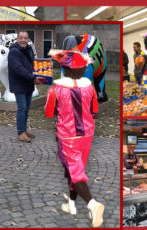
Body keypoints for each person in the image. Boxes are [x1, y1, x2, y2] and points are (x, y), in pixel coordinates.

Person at [45, 49, 104, 228]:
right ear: (82, 70)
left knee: (74, 172)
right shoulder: (90, 88)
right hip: (87, 134)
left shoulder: (56, 89)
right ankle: (71, 205)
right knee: (75, 169)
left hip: (67, 135)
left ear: (64, 69)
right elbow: (95, 111)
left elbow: (49, 113)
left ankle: (93, 205)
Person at [8, 31, 43, 142]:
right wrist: (33, 78)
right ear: (17, 39)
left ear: (28, 40)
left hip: (28, 83)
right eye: (21, 38)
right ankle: (20, 133)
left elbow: (34, 64)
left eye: (25, 38)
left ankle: (24, 130)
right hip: (19, 84)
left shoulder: (29, 49)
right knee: (22, 108)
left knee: (26, 108)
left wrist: (42, 73)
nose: (23, 40)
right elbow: (18, 69)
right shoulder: (14, 52)